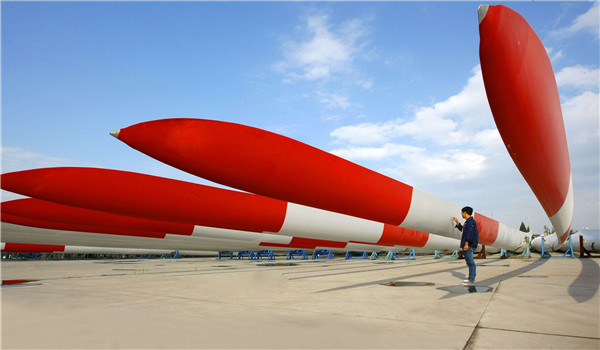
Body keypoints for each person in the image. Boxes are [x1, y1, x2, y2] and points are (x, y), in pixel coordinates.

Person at [452, 206, 479, 286]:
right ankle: (471, 278)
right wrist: (457, 222)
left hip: (469, 245)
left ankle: (471, 279)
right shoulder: (468, 222)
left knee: (471, 262)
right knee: (469, 262)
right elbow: (464, 230)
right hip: (468, 244)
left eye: (462, 213)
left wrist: (466, 244)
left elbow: (469, 233)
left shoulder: (470, 222)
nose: (461, 214)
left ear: (465, 212)